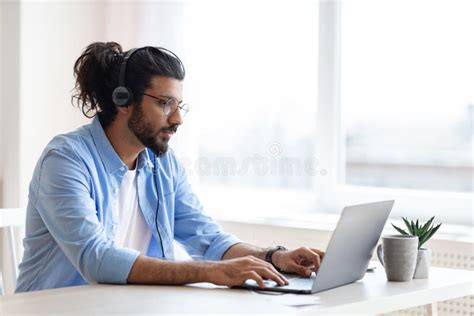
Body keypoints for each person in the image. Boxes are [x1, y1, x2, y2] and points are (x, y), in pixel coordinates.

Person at [15, 42, 325, 293]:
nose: (178, 119)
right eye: (165, 104)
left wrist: (273, 257)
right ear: (123, 101)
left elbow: (206, 237)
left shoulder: (161, 162)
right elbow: (96, 259)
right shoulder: (66, 160)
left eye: (179, 106)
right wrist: (214, 272)